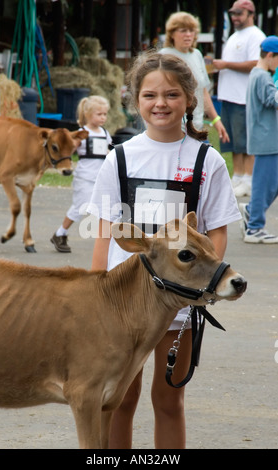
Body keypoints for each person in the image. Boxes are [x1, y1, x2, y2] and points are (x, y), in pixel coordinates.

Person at [87, 52, 241, 448]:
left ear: (190, 99)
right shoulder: (118, 159)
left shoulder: (207, 161)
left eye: (171, 94)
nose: (161, 103)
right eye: (150, 95)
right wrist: (95, 298)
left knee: (169, 399)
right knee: (118, 399)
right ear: (135, 100)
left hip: (181, 302)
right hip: (125, 304)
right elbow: (103, 235)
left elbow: (216, 234)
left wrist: (203, 292)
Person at [213, 0, 265, 198]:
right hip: (229, 96)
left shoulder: (255, 35)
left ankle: (249, 180)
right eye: (233, 13)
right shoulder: (235, 35)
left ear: (250, 13)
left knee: (246, 143)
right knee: (232, 142)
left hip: (244, 97)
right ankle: (237, 177)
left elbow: (256, 63)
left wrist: (225, 64)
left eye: (239, 13)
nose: (235, 17)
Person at [51, 95, 112, 253]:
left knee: (104, 208)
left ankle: (107, 240)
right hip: (84, 177)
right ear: (88, 115)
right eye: (99, 114)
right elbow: (68, 149)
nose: (103, 117)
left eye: (105, 114)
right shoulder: (81, 133)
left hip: (101, 178)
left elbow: (108, 152)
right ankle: (60, 233)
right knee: (81, 207)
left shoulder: (105, 133)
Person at [160, 11, 229, 143]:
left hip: (196, 127)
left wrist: (216, 120)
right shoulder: (164, 56)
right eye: (183, 30)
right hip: (173, 130)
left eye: (191, 30)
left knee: (205, 162)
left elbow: (203, 92)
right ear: (172, 34)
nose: (188, 34)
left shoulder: (197, 55)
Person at [239, 36, 278, 244]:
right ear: (270, 55)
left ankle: (252, 211)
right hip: (266, 140)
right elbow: (273, 100)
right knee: (265, 185)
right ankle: (254, 228)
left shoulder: (257, 74)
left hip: (267, 139)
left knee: (272, 183)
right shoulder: (262, 77)